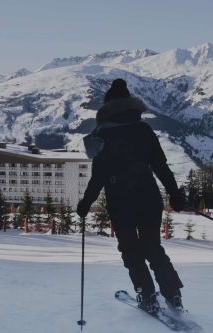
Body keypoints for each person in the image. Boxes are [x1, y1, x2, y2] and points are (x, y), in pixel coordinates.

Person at [76, 78, 186, 314]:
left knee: (130, 249)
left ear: (106, 108)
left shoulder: (102, 135)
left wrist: (86, 202)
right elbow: (161, 166)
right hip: (148, 194)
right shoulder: (144, 130)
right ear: (131, 106)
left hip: (120, 199)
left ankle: (147, 296)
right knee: (152, 247)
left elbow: (99, 177)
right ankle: (173, 294)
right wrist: (175, 194)